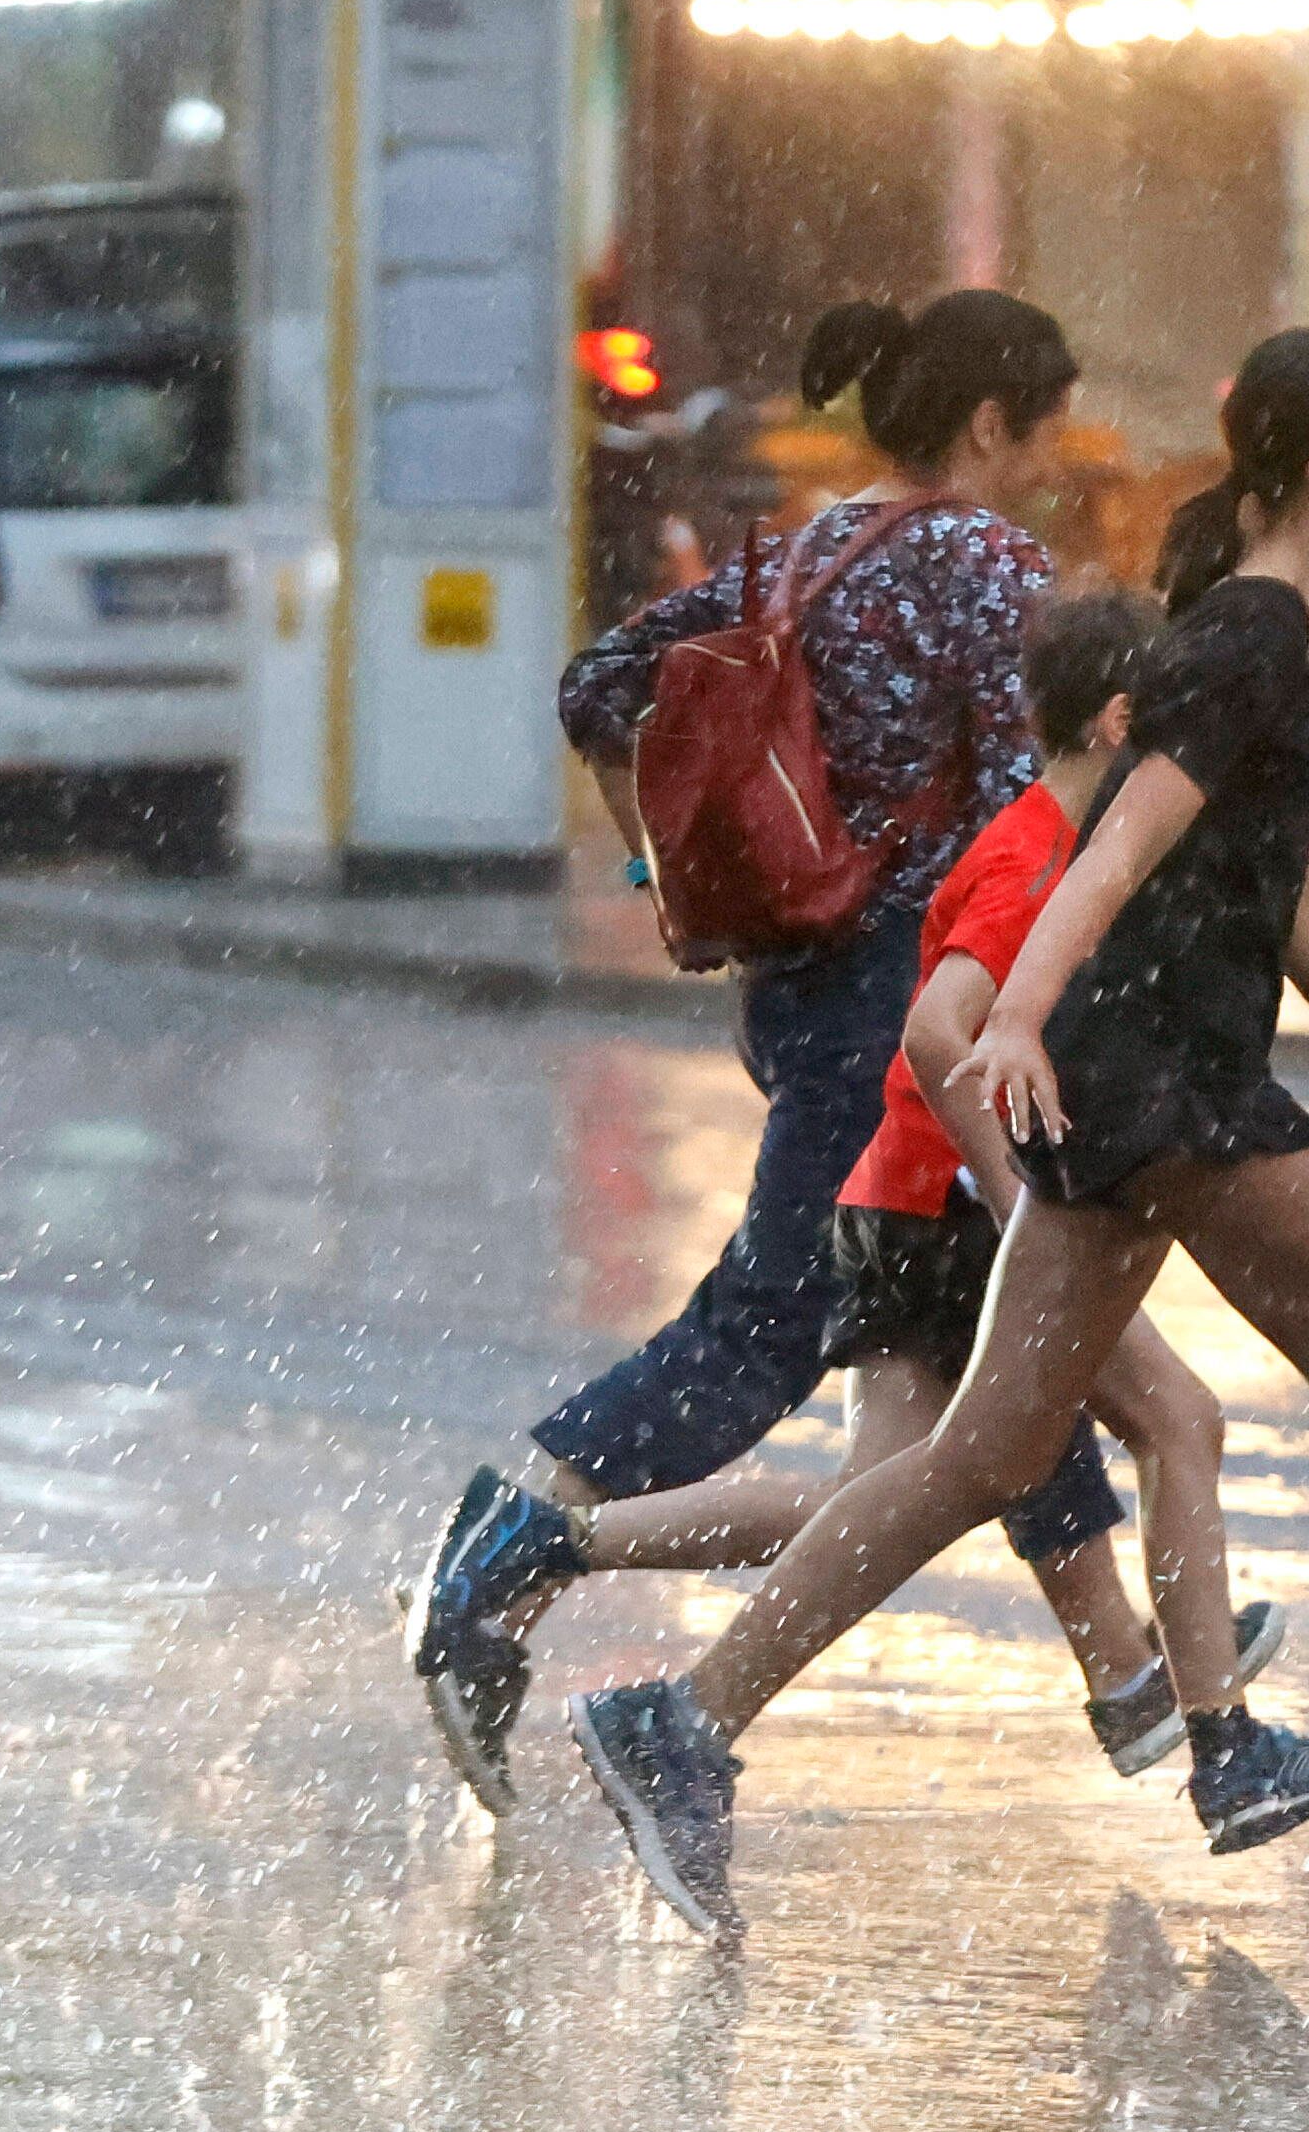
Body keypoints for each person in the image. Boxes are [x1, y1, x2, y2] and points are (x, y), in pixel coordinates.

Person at [561, 331, 1309, 1940]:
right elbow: (1105, 857)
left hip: (1128, 1085)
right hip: (1174, 1094)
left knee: (984, 1451)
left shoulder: (1266, 637)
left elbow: (1265, 885)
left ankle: (681, 1724)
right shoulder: (1251, 643)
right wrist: (1002, 1020)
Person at [413, 588, 1309, 1823]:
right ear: (1117, 726)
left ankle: (570, 1559)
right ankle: (1216, 1737)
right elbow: (940, 1033)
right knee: (1173, 1417)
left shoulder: (1026, 832)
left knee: (890, 1495)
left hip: (906, 1205)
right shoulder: (1036, 860)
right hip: (947, 1213)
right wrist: (1020, 1208)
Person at [401, 292, 1132, 1796]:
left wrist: (654, 881)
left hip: (802, 980)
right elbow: (1023, 807)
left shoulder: (801, 544)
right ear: (990, 425)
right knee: (776, 1320)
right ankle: (512, 1544)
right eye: (1045, 429)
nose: (1055, 460)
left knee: (982, 1328)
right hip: (906, 1001)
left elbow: (595, 688)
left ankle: (1135, 1677)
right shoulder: (987, 563)